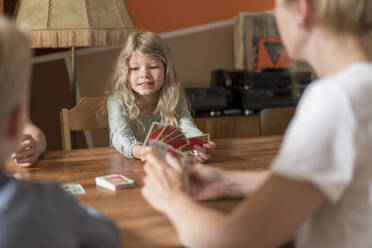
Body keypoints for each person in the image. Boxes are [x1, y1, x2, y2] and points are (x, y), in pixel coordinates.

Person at [141, 0, 372, 247]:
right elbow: (342, 181)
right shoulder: (360, 90)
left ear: (302, 11)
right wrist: (229, 182)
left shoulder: (335, 99)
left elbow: (233, 241)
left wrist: (171, 198)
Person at [0, 17, 120, 247]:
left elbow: (37, 135)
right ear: (15, 121)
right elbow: (107, 236)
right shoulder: (49, 205)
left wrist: (35, 144)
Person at [102, 31, 215, 161]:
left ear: (166, 70)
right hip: (126, 166)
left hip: (165, 165)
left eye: (153, 66)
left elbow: (187, 126)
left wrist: (198, 144)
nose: (144, 74)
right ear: (125, 71)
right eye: (134, 68)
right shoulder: (117, 100)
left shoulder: (174, 97)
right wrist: (141, 151)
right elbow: (120, 136)